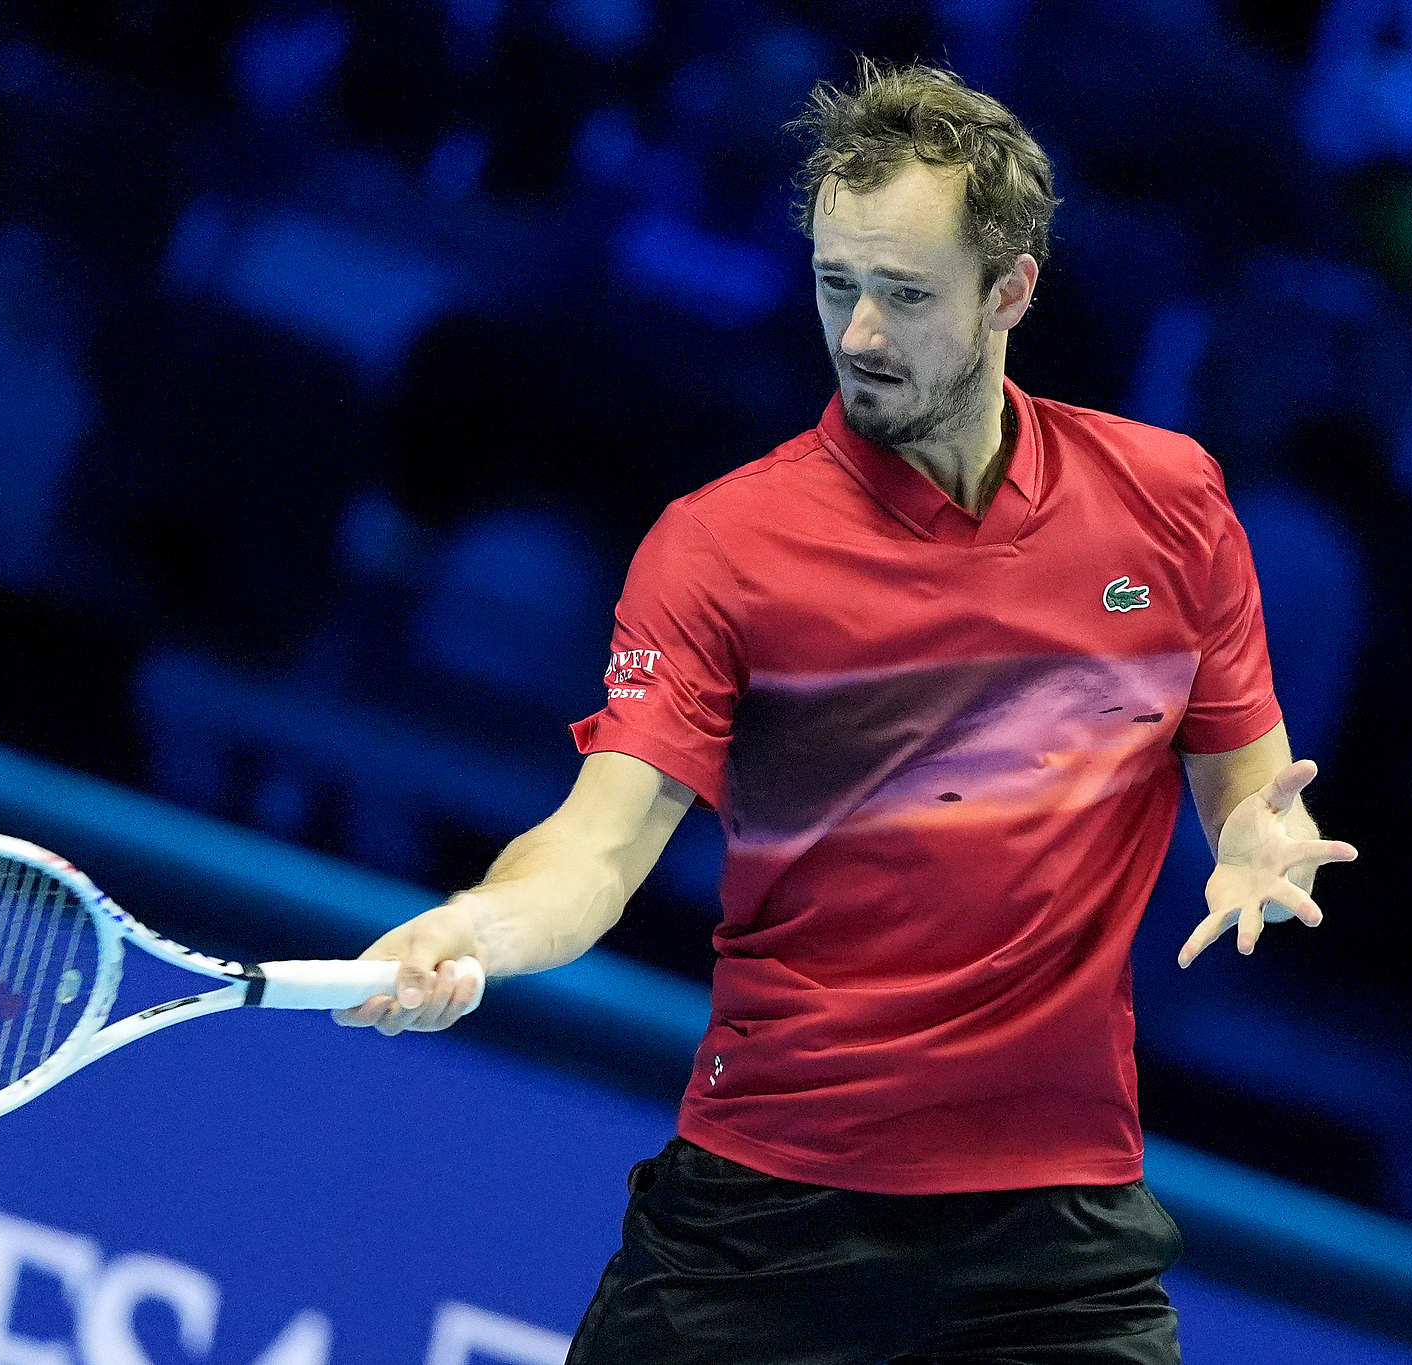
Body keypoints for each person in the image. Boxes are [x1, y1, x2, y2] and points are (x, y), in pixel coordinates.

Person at [334, 59, 1358, 1364]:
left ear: (1010, 294)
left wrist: (1260, 833)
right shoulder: (722, 545)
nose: (863, 336)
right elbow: (597, 846)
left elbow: (1244, 765)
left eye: (908, 296)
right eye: (838, 286)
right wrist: (480, 920)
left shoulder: (1169, 506)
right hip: (767, 1205)